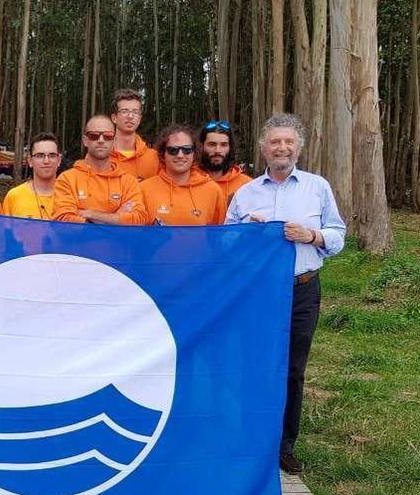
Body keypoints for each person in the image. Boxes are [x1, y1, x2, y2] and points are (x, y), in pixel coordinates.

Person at [225, 113, 346, 475]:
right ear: (263, 148)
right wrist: (248, 231)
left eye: (288, 142)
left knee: (293, 370)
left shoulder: (317, 187)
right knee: (255, 365)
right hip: (258, 295)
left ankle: (284, 444)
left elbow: (338, 235)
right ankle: (250, 438)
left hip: (302, 290)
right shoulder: (246, 193)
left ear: (299, 147)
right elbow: (227, 241)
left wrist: (312, 236)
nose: (282, 147)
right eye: (275, 142)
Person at [53, 115, 148, 225]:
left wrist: (90, 214)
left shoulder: (128, 181)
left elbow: (139, 220)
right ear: (85, 140)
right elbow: (64, 220)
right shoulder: (67, 179)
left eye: (108, 136)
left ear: (114, 140)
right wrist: (116, 217)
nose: (101, 140)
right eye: (94, 136)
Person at [140, 124, 226, 225]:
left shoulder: (213, 191)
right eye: (173, 150)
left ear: (194, 153)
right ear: (163, 154)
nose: (180, 155)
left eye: (187, 150)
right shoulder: (144, 190)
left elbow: (221, 235)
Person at [3, 133, 61, 219]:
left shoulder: (69, 196)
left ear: (59, 160)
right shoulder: (14, 197)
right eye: (40, 156)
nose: (46, 161)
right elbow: (4, 231)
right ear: (30, 161)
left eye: (52, 155)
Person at [109, 88, 160, 181]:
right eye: (124, 111)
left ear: (139, 118)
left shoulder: (153, 158)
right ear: (114, 118)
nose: (130, 116)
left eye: (135, 112)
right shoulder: (102, 156)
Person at [196, 120, 252, 203]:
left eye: (223, 145)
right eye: (212, 144)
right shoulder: (188, 180)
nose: (218, 150)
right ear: (201, 146)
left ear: (230, 147)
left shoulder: (246, 185)